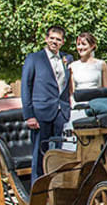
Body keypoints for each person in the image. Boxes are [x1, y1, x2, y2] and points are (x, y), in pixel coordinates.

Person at [21, 25, 72, 184]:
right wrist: (29, 115)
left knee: (58, 152)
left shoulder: (67, 59)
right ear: (46, 38)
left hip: (61, 112)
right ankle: (37, 190)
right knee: (39, 153)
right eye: (52, 38)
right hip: (40, 112)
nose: (54, 42)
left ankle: (56, 187)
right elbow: (26, 87)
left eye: (58, 39)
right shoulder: (34, 58)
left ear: (63, 42)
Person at [63, 32, 107, 151]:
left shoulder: (101, 65)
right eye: (78, 44)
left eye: (84, 44)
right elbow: (71, 91)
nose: (80, 48)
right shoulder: (72, 66)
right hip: (78, 108)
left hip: (96, 107)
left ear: (92, 46)